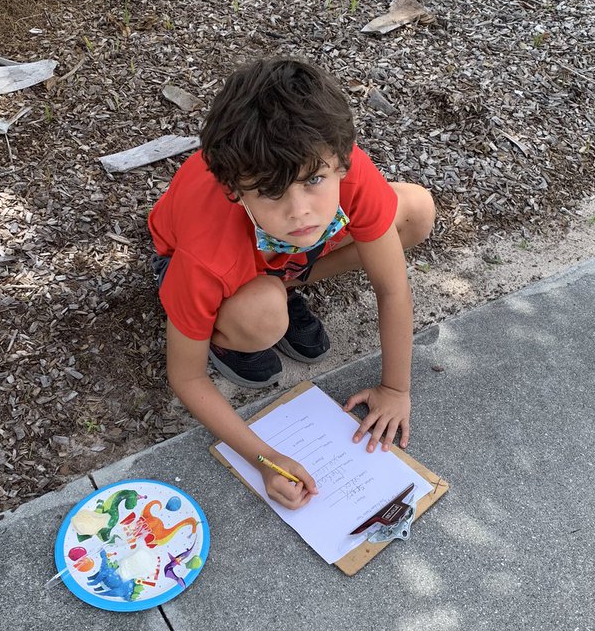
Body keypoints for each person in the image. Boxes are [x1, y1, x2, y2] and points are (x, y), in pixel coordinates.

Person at [147, 58, 435, 512]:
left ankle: (282, 282)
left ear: (342, 161)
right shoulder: (206, 253)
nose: (301, 211)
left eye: (315, 181)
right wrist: (265, 459)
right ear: (233, 189)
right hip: (207, 265)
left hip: (281, 256)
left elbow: (392, 287)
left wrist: (396, 389)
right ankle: (237, 329)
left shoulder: (335, 162)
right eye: (271, 192)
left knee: (416, 210)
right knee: (264, 315)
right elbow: (186, 375)